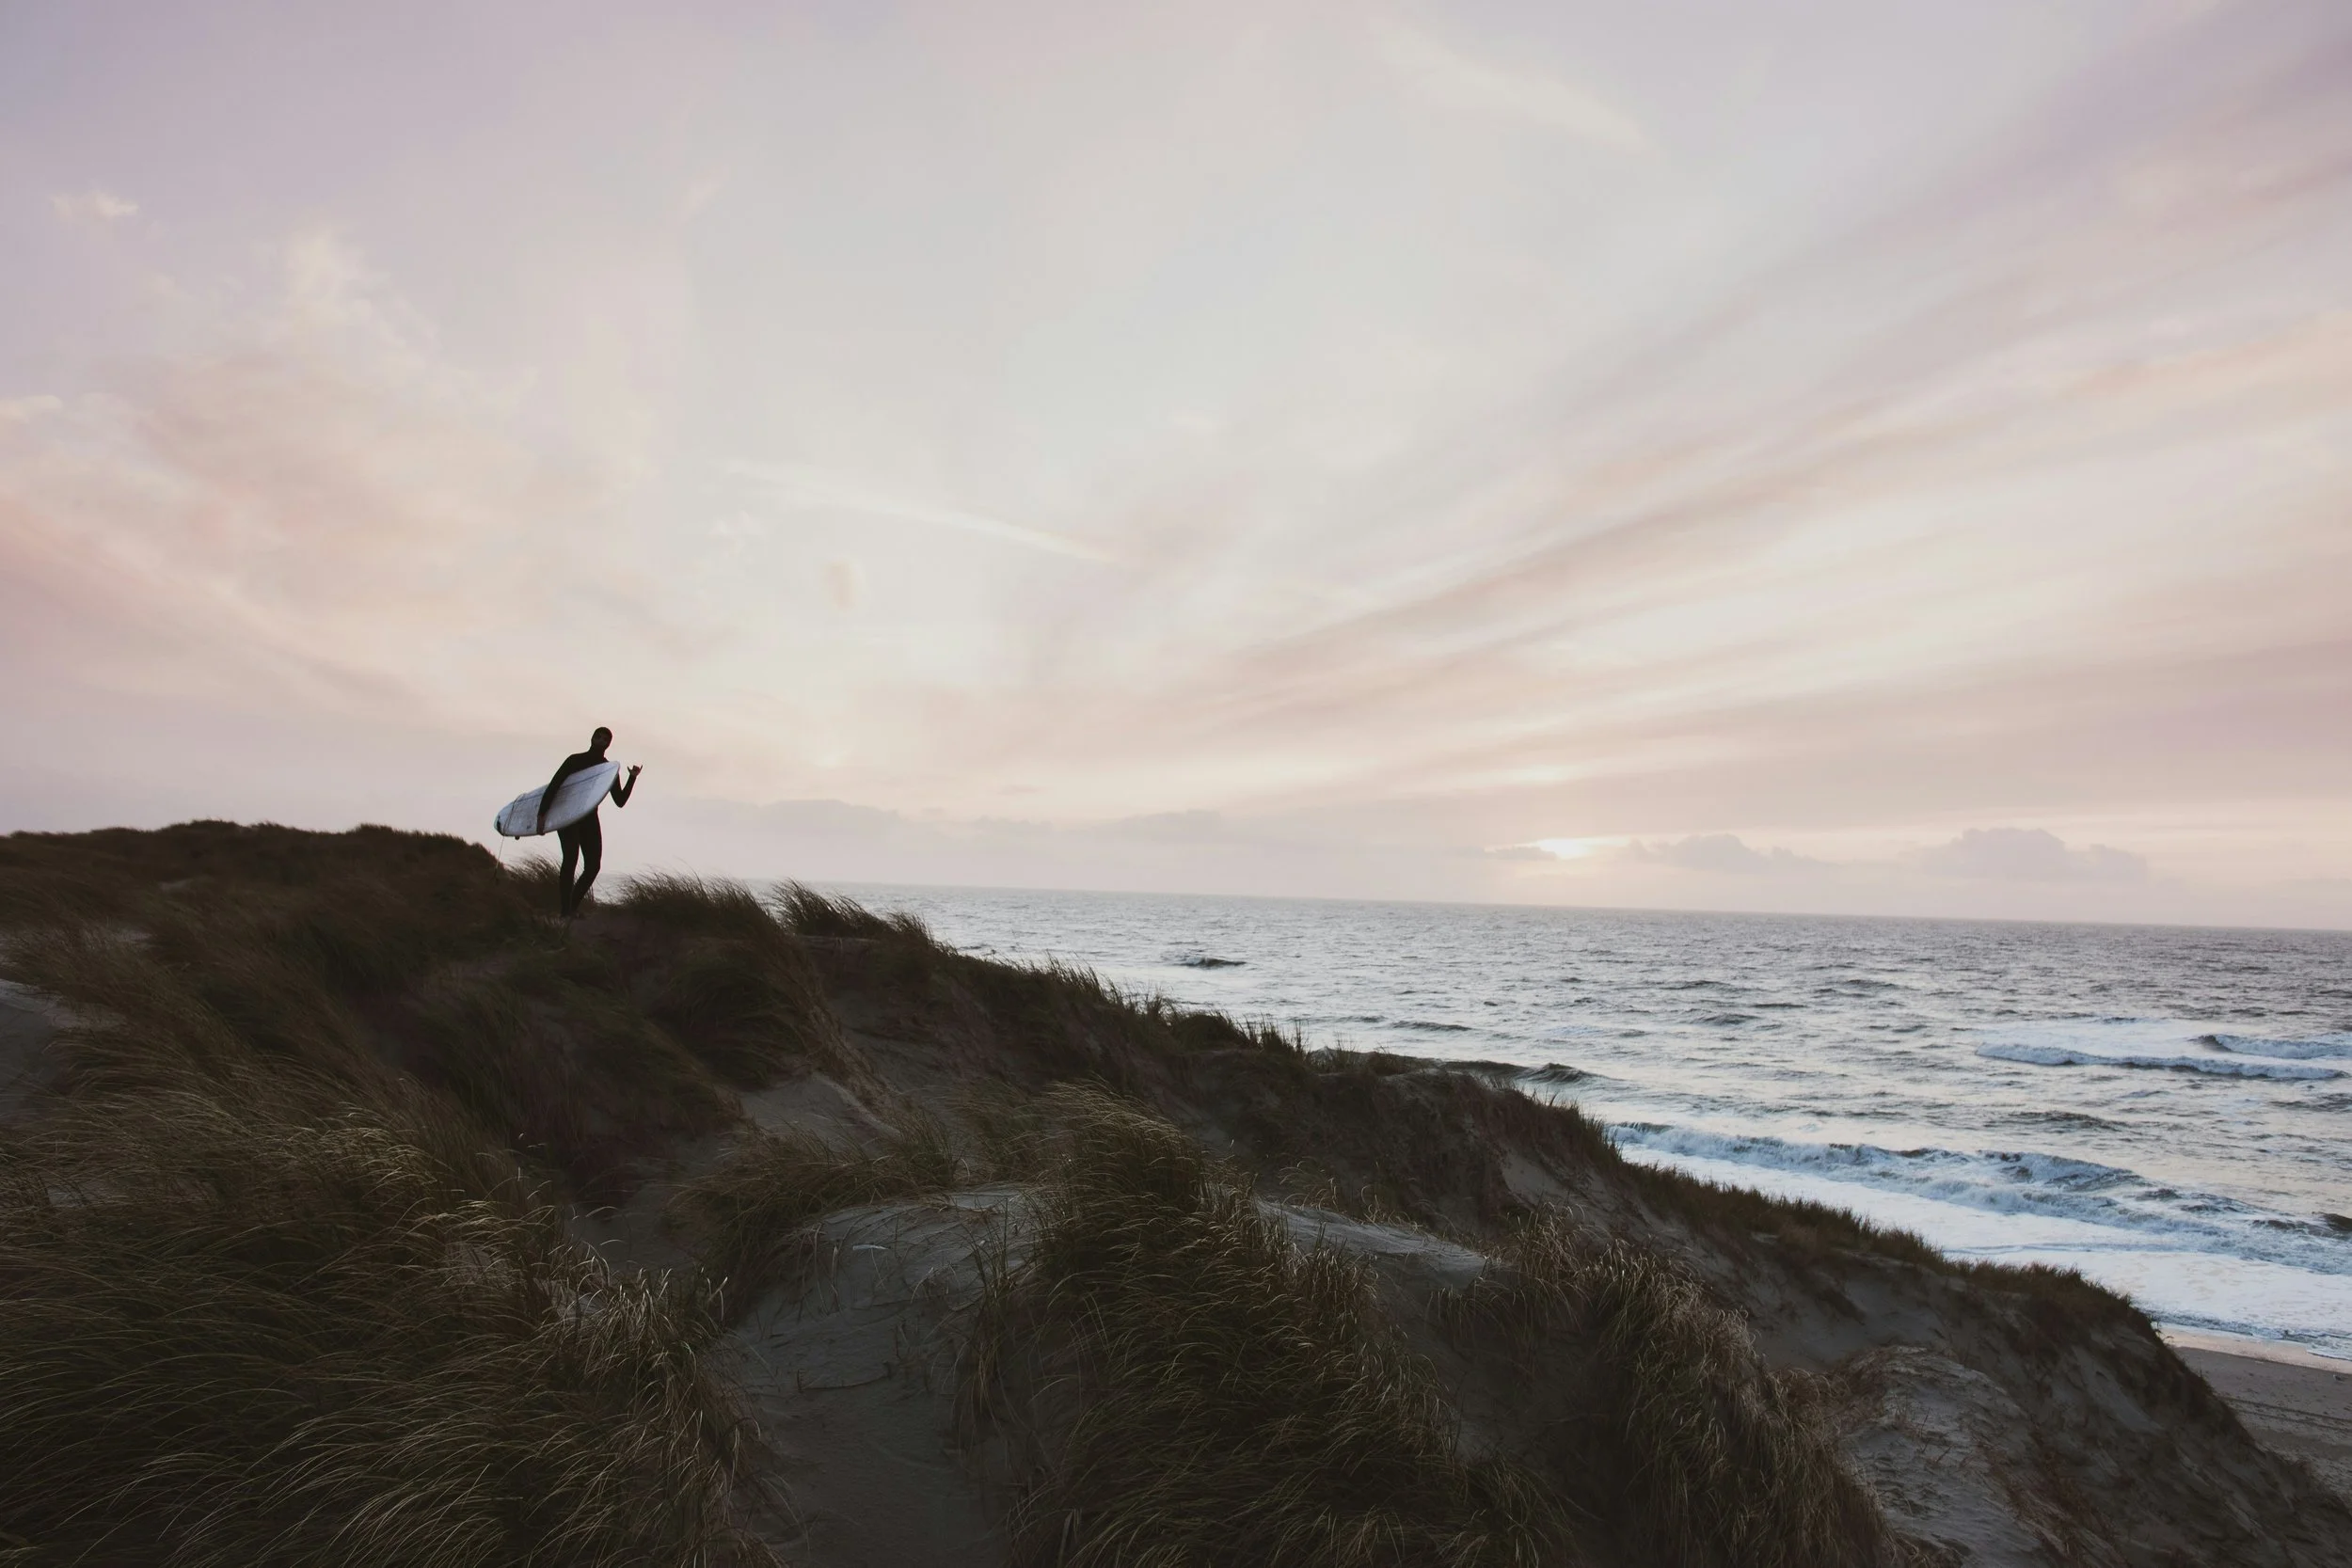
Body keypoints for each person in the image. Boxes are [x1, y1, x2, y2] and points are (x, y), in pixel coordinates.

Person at [535, 727, 641, 918]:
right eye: (598, 736)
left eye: (605, 738)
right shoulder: (575, 760)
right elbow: (554, 785)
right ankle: (565, 911)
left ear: (609, 744)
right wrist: (542, 815)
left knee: (593, 866)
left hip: (589, 818)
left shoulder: (608, 769)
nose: (601, 740)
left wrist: (632, 778)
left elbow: (619, 801)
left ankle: (571, 909)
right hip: (568, 817)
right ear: (592, 738)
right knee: (570, 860)